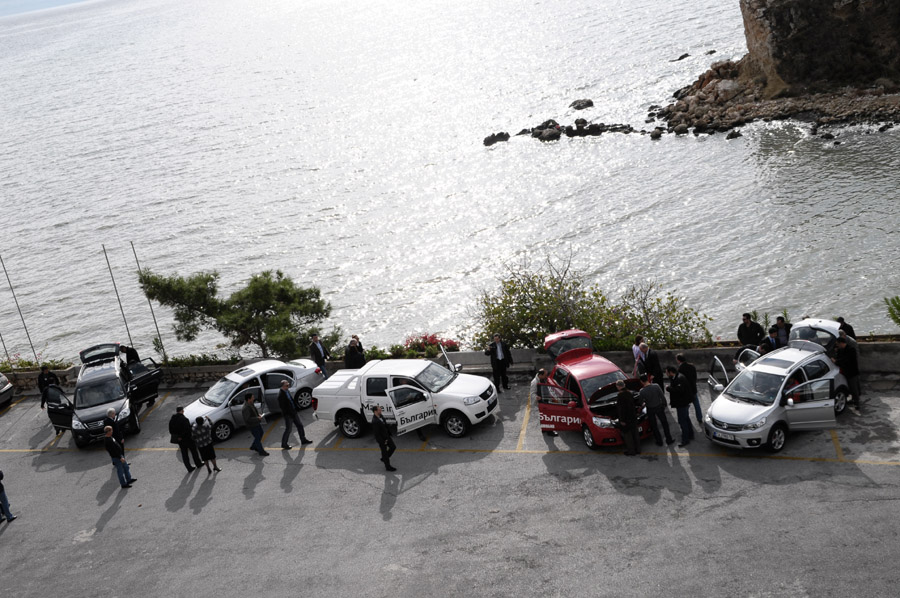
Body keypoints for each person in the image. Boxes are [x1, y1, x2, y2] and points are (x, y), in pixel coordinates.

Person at [639, 375, 674, 446]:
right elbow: (662, 396)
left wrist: (645, 403)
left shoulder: (642, 391)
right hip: (659, 407)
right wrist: (664, 404)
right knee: (664, 423)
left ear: (641, 382)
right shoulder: (656, 386)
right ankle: (669, 439)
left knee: (654, 425)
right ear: (647, 379)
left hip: (650, 409)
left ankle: (659, 441)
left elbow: (641, 402)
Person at [277, 380, 313, 449]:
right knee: (288, 429)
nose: (288, 386)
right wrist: (290, 414)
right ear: (282, 386)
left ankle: (303, 439)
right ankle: (284, 444)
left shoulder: (287, 391)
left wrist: (296, 408)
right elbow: (283, 408)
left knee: (300, 426)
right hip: (289, 415)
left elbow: (291, 400)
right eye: (287, 385)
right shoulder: (281, 395)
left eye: (288, 385)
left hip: (293, 412)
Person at [169, 406, 204, 471]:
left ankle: (189, 468)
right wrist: (182, 436)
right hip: (188, 439)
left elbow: (171, 430)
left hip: (180, 441)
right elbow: (187, 430)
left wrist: (178, 437)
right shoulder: (184, 419)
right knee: (194, 451)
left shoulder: (172, 419)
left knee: (184, 454)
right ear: (182, 411)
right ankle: (198, 463)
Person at [666, 366, 694, 447]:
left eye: (667, 372)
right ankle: (690, 434)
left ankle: (685, 439)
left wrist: (668, 388)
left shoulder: (679, 378)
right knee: (686, 419)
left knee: (682, 421)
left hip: (682, 404)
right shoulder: (675, 377)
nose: (666, 374)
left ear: (671, 372)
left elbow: (679, 390)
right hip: (682, 403)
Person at [833, 337, 862, 413]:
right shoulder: (841, 350)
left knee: (854, 388)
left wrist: (836, 361)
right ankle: (853, 400)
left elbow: (846, 360)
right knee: (849, 387)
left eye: (838, 344)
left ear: (841, 343)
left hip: (852, 373)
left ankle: (857, 403)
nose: (837, 346)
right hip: (845, 372)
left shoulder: (851, 349)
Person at [675, 354, 702, 425]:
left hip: (686, 391)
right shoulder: (692, 366)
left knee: (686, 406)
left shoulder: (680, 369)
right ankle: (699, 418)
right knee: (696, 404)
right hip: (693, 388)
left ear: (679, 360)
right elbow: (695, 377)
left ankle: (687, 420)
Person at [615, 380, 640, 456]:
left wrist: (622, 420)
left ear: (619, 386)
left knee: (628, 436)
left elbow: (621, 409)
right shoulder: (630, 393)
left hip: (626, 419)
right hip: (633, 417)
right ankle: (638, 449)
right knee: (635, 434)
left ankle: (631, 451)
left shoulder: (620, 395)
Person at [530, 369, 558, 436]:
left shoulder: (543, 379)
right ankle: (550, 431)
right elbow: (532, 393)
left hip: (545, 399)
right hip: (541, 402)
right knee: (548, 416)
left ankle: (544, 429)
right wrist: (537, 397)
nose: (546, 376)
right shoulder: (534, 382)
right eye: (545, 375)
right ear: (540, 375)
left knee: (544, 416)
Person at [371, 405, 396, 471]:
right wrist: (382, 441)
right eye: (379, 410)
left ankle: (384, 458)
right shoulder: (375, 421)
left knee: (393, 447)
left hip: (387, 436)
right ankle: (388, 467)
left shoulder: (380, 415)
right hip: (382, 440)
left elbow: (384, 425)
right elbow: (377, 434)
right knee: (384, 452)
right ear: (375, 411)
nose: (381, 410)